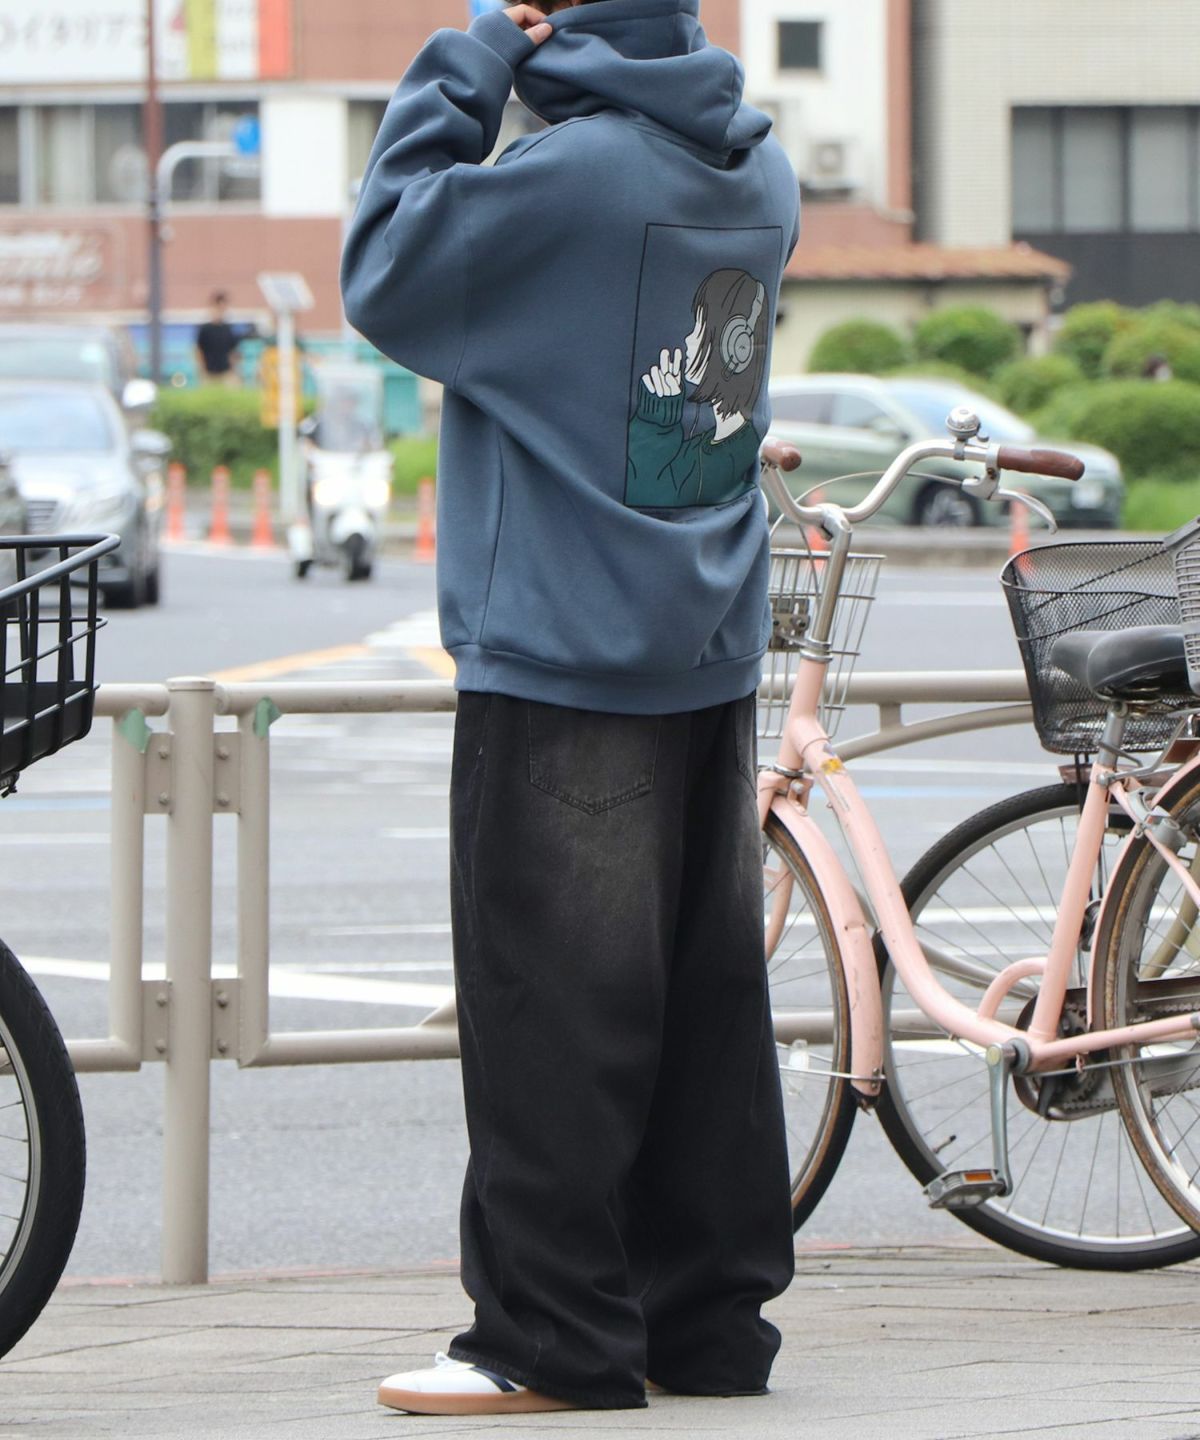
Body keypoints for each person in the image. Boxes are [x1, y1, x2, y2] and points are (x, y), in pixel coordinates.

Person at [341, 0, 801, 1417]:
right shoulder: (760, 165)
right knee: (702, 1001)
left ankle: (547, 1340)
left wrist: (470, 56)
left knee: (549, 1005)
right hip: (702, 636)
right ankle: (704, 1324)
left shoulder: (577, 178)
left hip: (562, 639)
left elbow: (384, 263)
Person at [194, 291, 244, 385]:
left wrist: (235, 370)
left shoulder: (228, 329)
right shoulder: (205, 329)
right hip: (209, 373)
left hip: (226, 373)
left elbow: (233, 352)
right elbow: (199, 351)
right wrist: (202, 371)